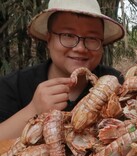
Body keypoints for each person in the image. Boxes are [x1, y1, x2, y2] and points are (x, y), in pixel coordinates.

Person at [0, 0, 125, 140]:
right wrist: (33, 109)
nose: (80, 48)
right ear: (49, 40)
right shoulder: (13, 86)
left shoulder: (116, 83)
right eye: (68, 35)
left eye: (92, 38)